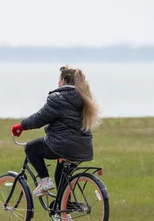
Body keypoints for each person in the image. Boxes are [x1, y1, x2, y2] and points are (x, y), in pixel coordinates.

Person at [11, 65, 101, 197]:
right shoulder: (85, 97)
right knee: (61, 177)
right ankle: (66, 208)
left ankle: (44, 181)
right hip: (82, 148)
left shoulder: (58, 98)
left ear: (63, 81)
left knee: (31, 148)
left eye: (59, 80)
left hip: (62, 146)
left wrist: (21, 126)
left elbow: (39, 118)